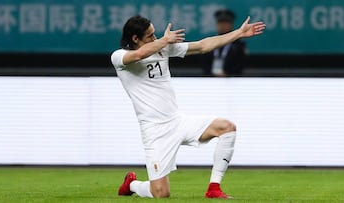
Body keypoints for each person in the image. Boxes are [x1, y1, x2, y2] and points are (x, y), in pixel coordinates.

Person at [111, 15, 265, 199]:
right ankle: (132, 184)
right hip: (154, 131)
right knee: (161, 193)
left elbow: (203, 46)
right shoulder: (119, 57)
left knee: (227, 128)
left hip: (177, 121)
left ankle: (214, 188)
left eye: (155, 34)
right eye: (150, 36)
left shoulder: (163, 48)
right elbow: (139, 55)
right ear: (135, 39)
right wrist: (164, 41)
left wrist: (238, 33)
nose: (155, 38)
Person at [203, 9, 247, 77]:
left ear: (231, 24)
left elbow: (240, 65)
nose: (223, 25)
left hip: (231, 80)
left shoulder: (239, 45)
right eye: (220, 22)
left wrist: (228, 75)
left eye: (226, 22)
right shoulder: (211, 41)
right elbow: (205, 63)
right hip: (210, 79)